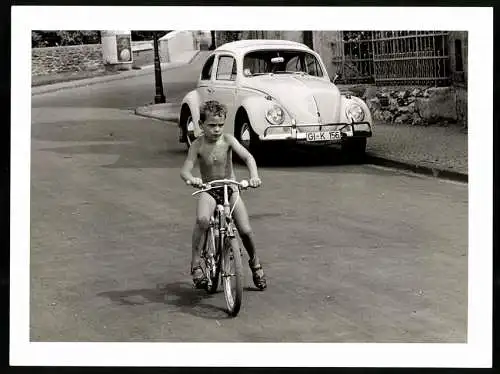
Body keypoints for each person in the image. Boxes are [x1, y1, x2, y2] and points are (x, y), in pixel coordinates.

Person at [180, 100, 267, 290]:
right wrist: (191, 178)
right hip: (209, 189)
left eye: (220, 125)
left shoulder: (228, 140)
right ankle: (196, 265)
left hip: (231, 189)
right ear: (201, 125)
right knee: (202, 220)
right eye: (211, 125)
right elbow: (185, 169)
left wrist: (254, 176)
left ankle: (255, 263)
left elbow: (248, 157)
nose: (217, 129)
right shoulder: (197, 145)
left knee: (245, 230)